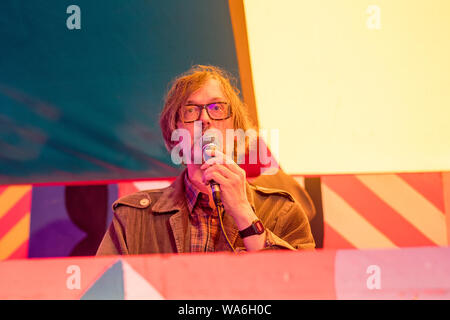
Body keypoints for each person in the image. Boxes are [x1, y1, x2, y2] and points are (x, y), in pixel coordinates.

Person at [96, 65, 315, 255]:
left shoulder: (282, 211)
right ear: (174, 133)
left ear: (235, 129)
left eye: (217, 108)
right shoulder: (132, 218)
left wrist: (243, 212)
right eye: (190, 111)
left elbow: (301, 287)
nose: (205, 119)